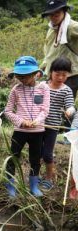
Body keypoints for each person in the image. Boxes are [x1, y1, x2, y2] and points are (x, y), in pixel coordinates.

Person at [4, 56, 50, 198]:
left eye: (27, 76)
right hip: (20, 131)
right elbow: (7, 111)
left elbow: (45, 110)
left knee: (35, 159)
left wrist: (36, 121)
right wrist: (21, 121)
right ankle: (10, 186)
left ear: (36, 73)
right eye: (19, 76)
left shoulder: (44, 88)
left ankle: (34, 186)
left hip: (37, 131)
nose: (23, 79)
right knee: (13, 158)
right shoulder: (15, 90)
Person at [40, 0, 78, 145]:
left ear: (64, 12)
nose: (54, 16)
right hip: (54, 71)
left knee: (68, 103)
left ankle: (70, 137)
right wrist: (42, 67)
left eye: (57, 13)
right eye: (51, 14)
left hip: (71, 73)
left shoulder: (71, 27)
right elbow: (50, 52)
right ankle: (62, 134)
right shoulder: (52, 28)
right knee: (57, 104)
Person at [39, 56, 76, 193]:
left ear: (68, 75)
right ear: (51, 72)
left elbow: (71, 106)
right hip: (38, 125)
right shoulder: (42, 86)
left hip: (52, 127)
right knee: (36, 152)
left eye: (64, 75)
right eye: (57, 74)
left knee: (48, 154)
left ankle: (49, 179)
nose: (60, 77)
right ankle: (35, 176)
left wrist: (69, 111)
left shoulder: (66, 90)